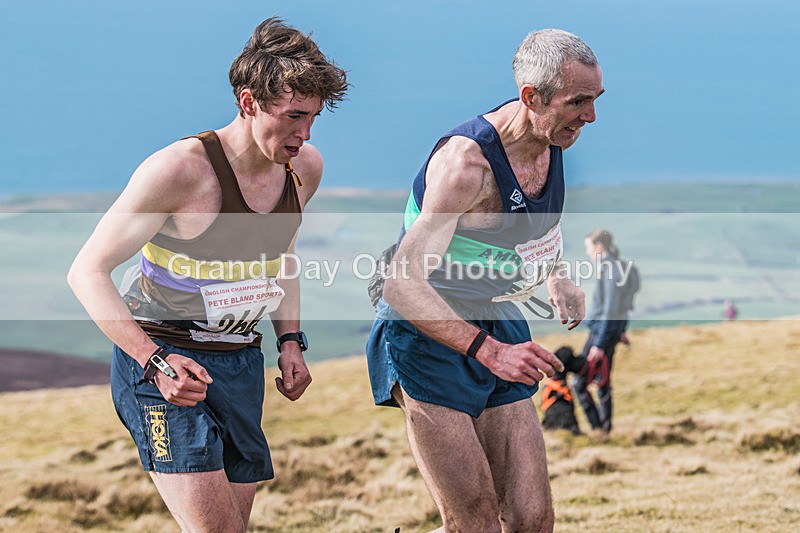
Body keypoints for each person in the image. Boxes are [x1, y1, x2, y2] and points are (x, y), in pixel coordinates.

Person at [68, 18, 347, 532]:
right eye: (292, 117)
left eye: (313, 118)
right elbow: (86, 271)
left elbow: (282, 256)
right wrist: (154, 362)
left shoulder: (304, 166)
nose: (304, 134)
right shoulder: (178, 171)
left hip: (240, 363)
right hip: (163, 362)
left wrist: (290, 341)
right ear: (248, 102)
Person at [366, 29, 602, 532]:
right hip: (426, 328)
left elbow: (538, 219)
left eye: (595, 100)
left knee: (531, 519)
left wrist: (557, 276)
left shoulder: (548, 136)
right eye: (578, 102)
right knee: (473, 521)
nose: (591, 117)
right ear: (531, 97)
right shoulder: (464, 166)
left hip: (497, 317)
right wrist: (492, 353)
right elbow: (401, 284)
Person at [571, 228, 628, 434]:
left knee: (579, 382)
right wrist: (620, 330)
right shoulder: (616, 267)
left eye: (588, 247)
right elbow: (622, 305)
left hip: (600, 334)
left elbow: (612, 308)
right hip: (608, 332)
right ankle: (604, 428)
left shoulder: (611, 269)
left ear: (599, 246)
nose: (587, 252)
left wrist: (600, 344)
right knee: (602, 381)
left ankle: (599, 428)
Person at [541, 346, 587, 435]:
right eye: (572, 359)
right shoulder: (562, 390)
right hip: (569, 429)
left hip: (551, 430)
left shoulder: (549, 388)